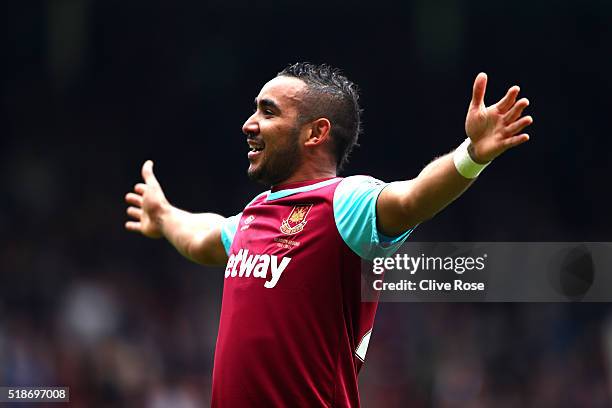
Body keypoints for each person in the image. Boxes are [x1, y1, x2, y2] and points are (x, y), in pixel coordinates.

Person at [124, 62, 532, 407]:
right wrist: (164, 216)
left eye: (268, 112)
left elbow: (411, 200)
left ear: (315, 133)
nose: (249, 124)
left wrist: (472, 154)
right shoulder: (253, 215)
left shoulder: (344, 203)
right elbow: (201, 237)